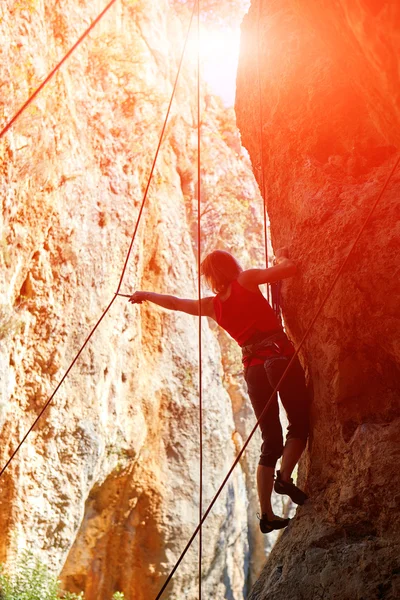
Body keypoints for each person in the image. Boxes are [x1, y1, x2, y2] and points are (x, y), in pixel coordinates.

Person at [129, 249, 309, 534]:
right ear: (232, 266)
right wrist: (281, 260)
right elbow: (291, 269)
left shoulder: (213, 306)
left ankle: (266, 514)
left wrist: (146, 294)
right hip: (278, 357)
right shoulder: (247, 280)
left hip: (253, 370)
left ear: (212, 277)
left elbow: (175, 303)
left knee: (270, 441)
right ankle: (284, 477)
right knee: (299, 423)